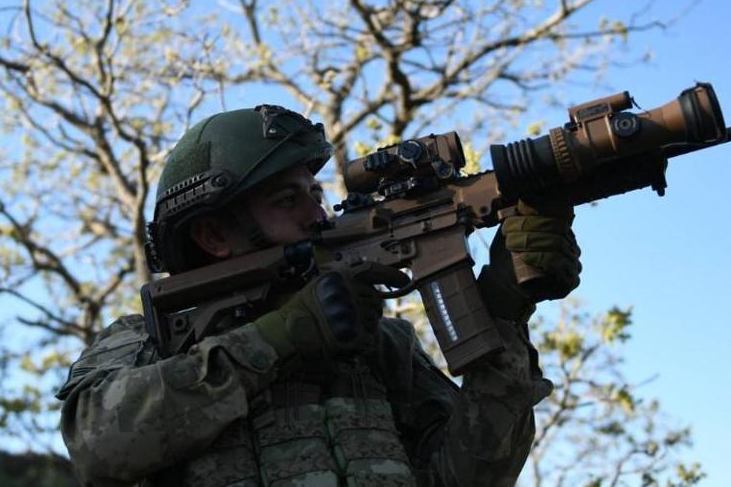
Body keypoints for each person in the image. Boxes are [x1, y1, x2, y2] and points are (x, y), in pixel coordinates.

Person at [57, 105, 582, 486]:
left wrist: (506, 313)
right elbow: (100, 443)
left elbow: (473, 477)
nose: (318, 216)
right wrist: (279, 338)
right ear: (214, 237)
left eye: (316, 195)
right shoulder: (147, 342)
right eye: (288, 201)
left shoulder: (381, 347)